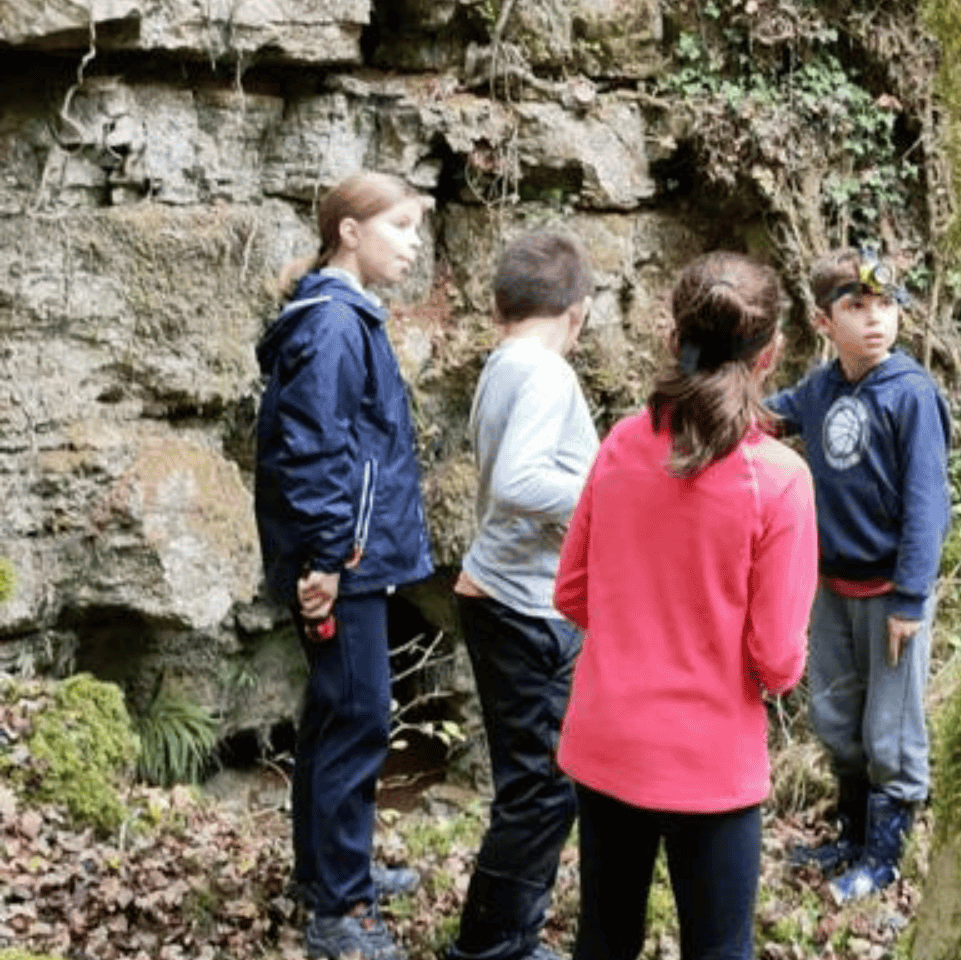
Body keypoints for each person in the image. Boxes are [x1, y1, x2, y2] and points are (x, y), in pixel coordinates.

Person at [555, 251, 817, 960]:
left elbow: (571, 591)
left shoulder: (620, 444)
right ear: (772, 355)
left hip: (607, 741)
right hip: (711, 760)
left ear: (673, 338)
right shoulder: (780, 480)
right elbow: (778, 659)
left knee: (604, 939)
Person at [254, 172, 435, 960]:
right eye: (398, 226)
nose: (412, 242)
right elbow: (314, 452)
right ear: (349, 231)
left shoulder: (344, 315)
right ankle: (339, 912)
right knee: (358, 717)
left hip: (350, 558)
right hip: (343, 565)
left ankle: (329, 872)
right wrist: (328, 559)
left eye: (416, 228)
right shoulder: (331, 324)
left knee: (335, 716)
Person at [768, 247, 951, 904]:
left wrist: (910, 597)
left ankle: (884, 855)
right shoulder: (819, 390)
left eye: (886, 305)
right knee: (837, 718)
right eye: (856, 307)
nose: (876, 320)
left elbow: (928, 502)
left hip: (891, 598)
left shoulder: (911, 394)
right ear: (824, 321)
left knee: (890, 731)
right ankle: (850, 832)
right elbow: (765, 416)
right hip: (832, 589)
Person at [447, 232, 598, 960]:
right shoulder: (545, 374)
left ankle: (502, 940)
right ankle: (491, 949)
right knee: (541, 792)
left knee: (534, 788)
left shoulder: (503, 364)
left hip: (505, 596)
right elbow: (518, 483)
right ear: (579, 311)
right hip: (523, 605)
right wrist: (608, 496)